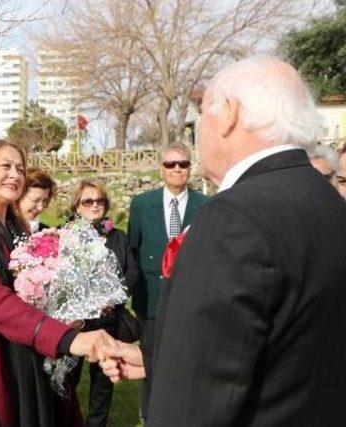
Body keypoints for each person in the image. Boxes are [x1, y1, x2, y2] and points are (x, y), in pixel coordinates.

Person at [147, 56, 346, 426]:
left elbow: (190, 407)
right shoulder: (329, 202)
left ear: (229, 114)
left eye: (202, 114)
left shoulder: (232, 218)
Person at [0, 140, 117, 427]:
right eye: (5, 166)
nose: (16, 174)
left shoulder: (17, 229)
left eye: (20, 168)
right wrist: (69, 340)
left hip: (30, 360)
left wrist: (69, 311)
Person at [126, 142, 207, 420]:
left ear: (190, 167)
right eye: (170, 164)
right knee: (150, 364)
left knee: (188, 362)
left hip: (191, 301)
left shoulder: (206, 205)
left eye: (182, 164)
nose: (176, 169)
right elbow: (131, 252)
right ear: (161, 168)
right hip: (151, 299)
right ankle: (150, 417)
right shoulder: (141, 204)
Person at [66, 179, 138, 427]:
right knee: (69, 377)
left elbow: (131, 273)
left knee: (103, 381)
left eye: (100, 201)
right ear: (77, 206)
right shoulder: (67, 236)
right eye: (88, 201)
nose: (95, 205)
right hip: (77, 320)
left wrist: (113, 298)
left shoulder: (118, 236)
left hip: (109, 318)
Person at [16, 167, 57, 232]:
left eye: (44, 201)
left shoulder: (45, 231)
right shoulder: (1, 232)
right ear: (18, 197)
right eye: (35, 200)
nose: (40, 207)